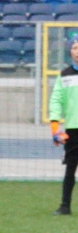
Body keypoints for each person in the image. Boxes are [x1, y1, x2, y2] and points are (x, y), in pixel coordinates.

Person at [49, 34, 78, 216]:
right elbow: (56, 101)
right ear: (70, 51)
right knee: (70, 169)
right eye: (75, 48)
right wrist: (54, 129)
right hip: (73, 130)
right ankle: (65, 205)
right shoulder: (64, 75)